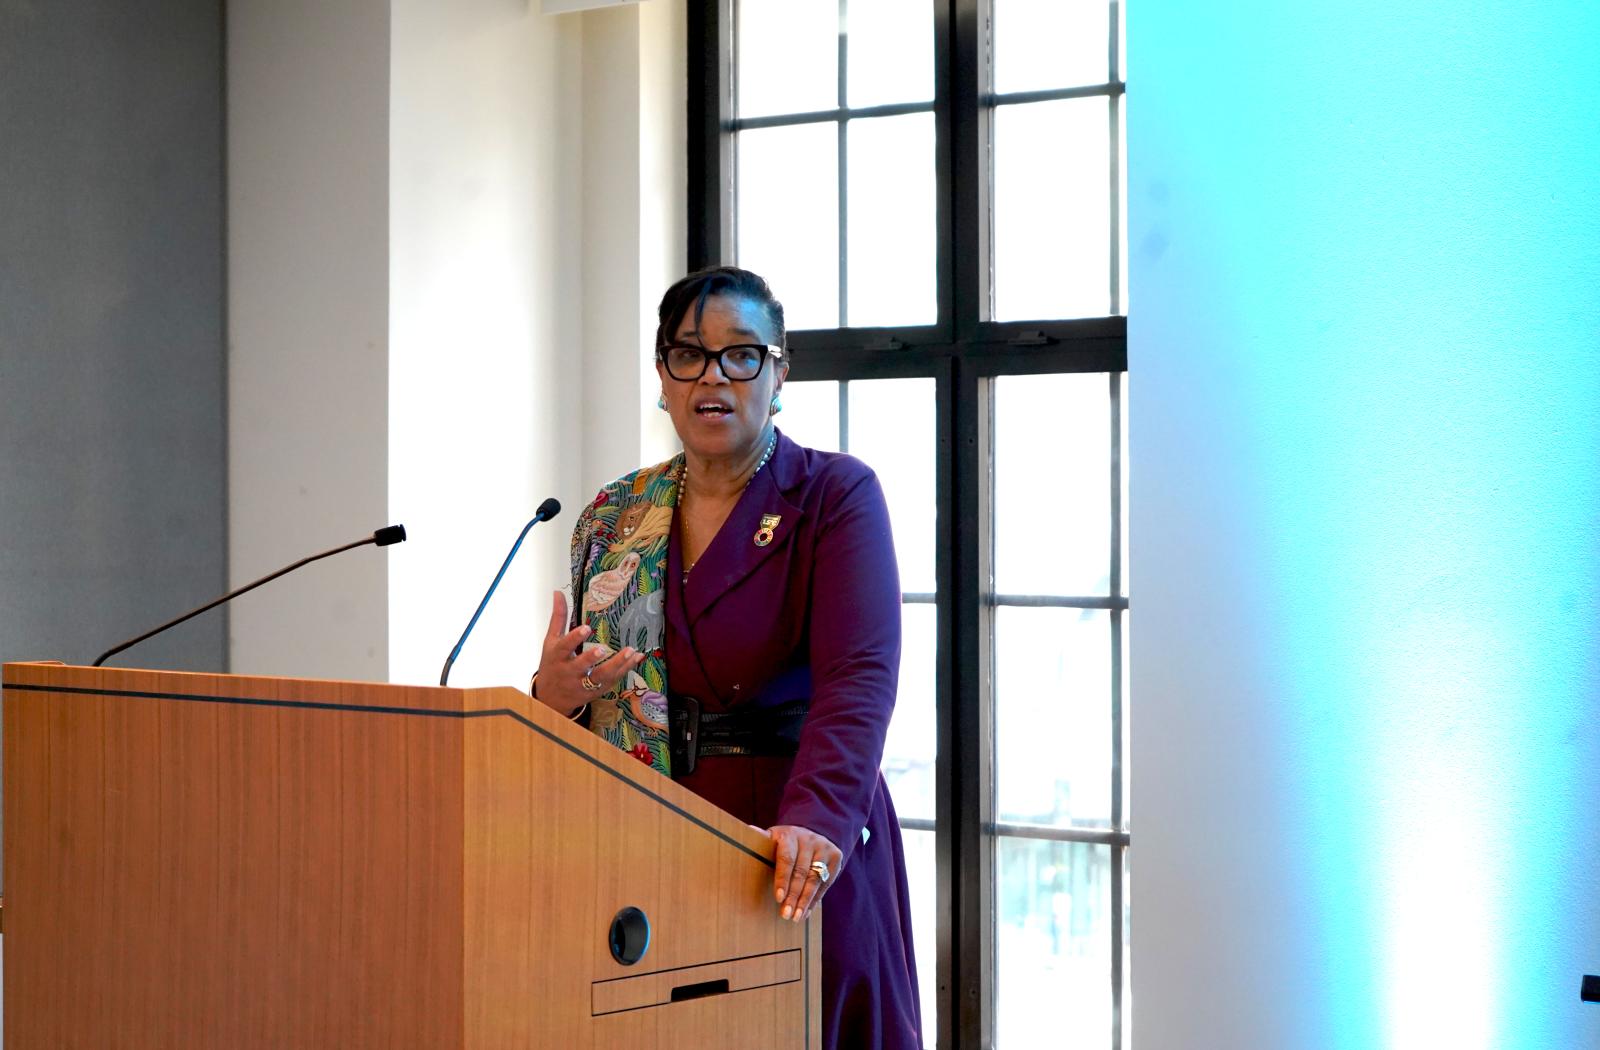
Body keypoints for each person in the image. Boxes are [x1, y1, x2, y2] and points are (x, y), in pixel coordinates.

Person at [532, 266, 922, 1048]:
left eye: (741, 355)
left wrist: (815, 823)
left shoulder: (831, 496)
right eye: (689, 354)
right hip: (651, 841)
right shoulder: (615, 516)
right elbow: (587, 697)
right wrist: (553, 695)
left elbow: (859, 680)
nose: (713, 376)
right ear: (663, 376)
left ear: (779, 373)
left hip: (792, 839)